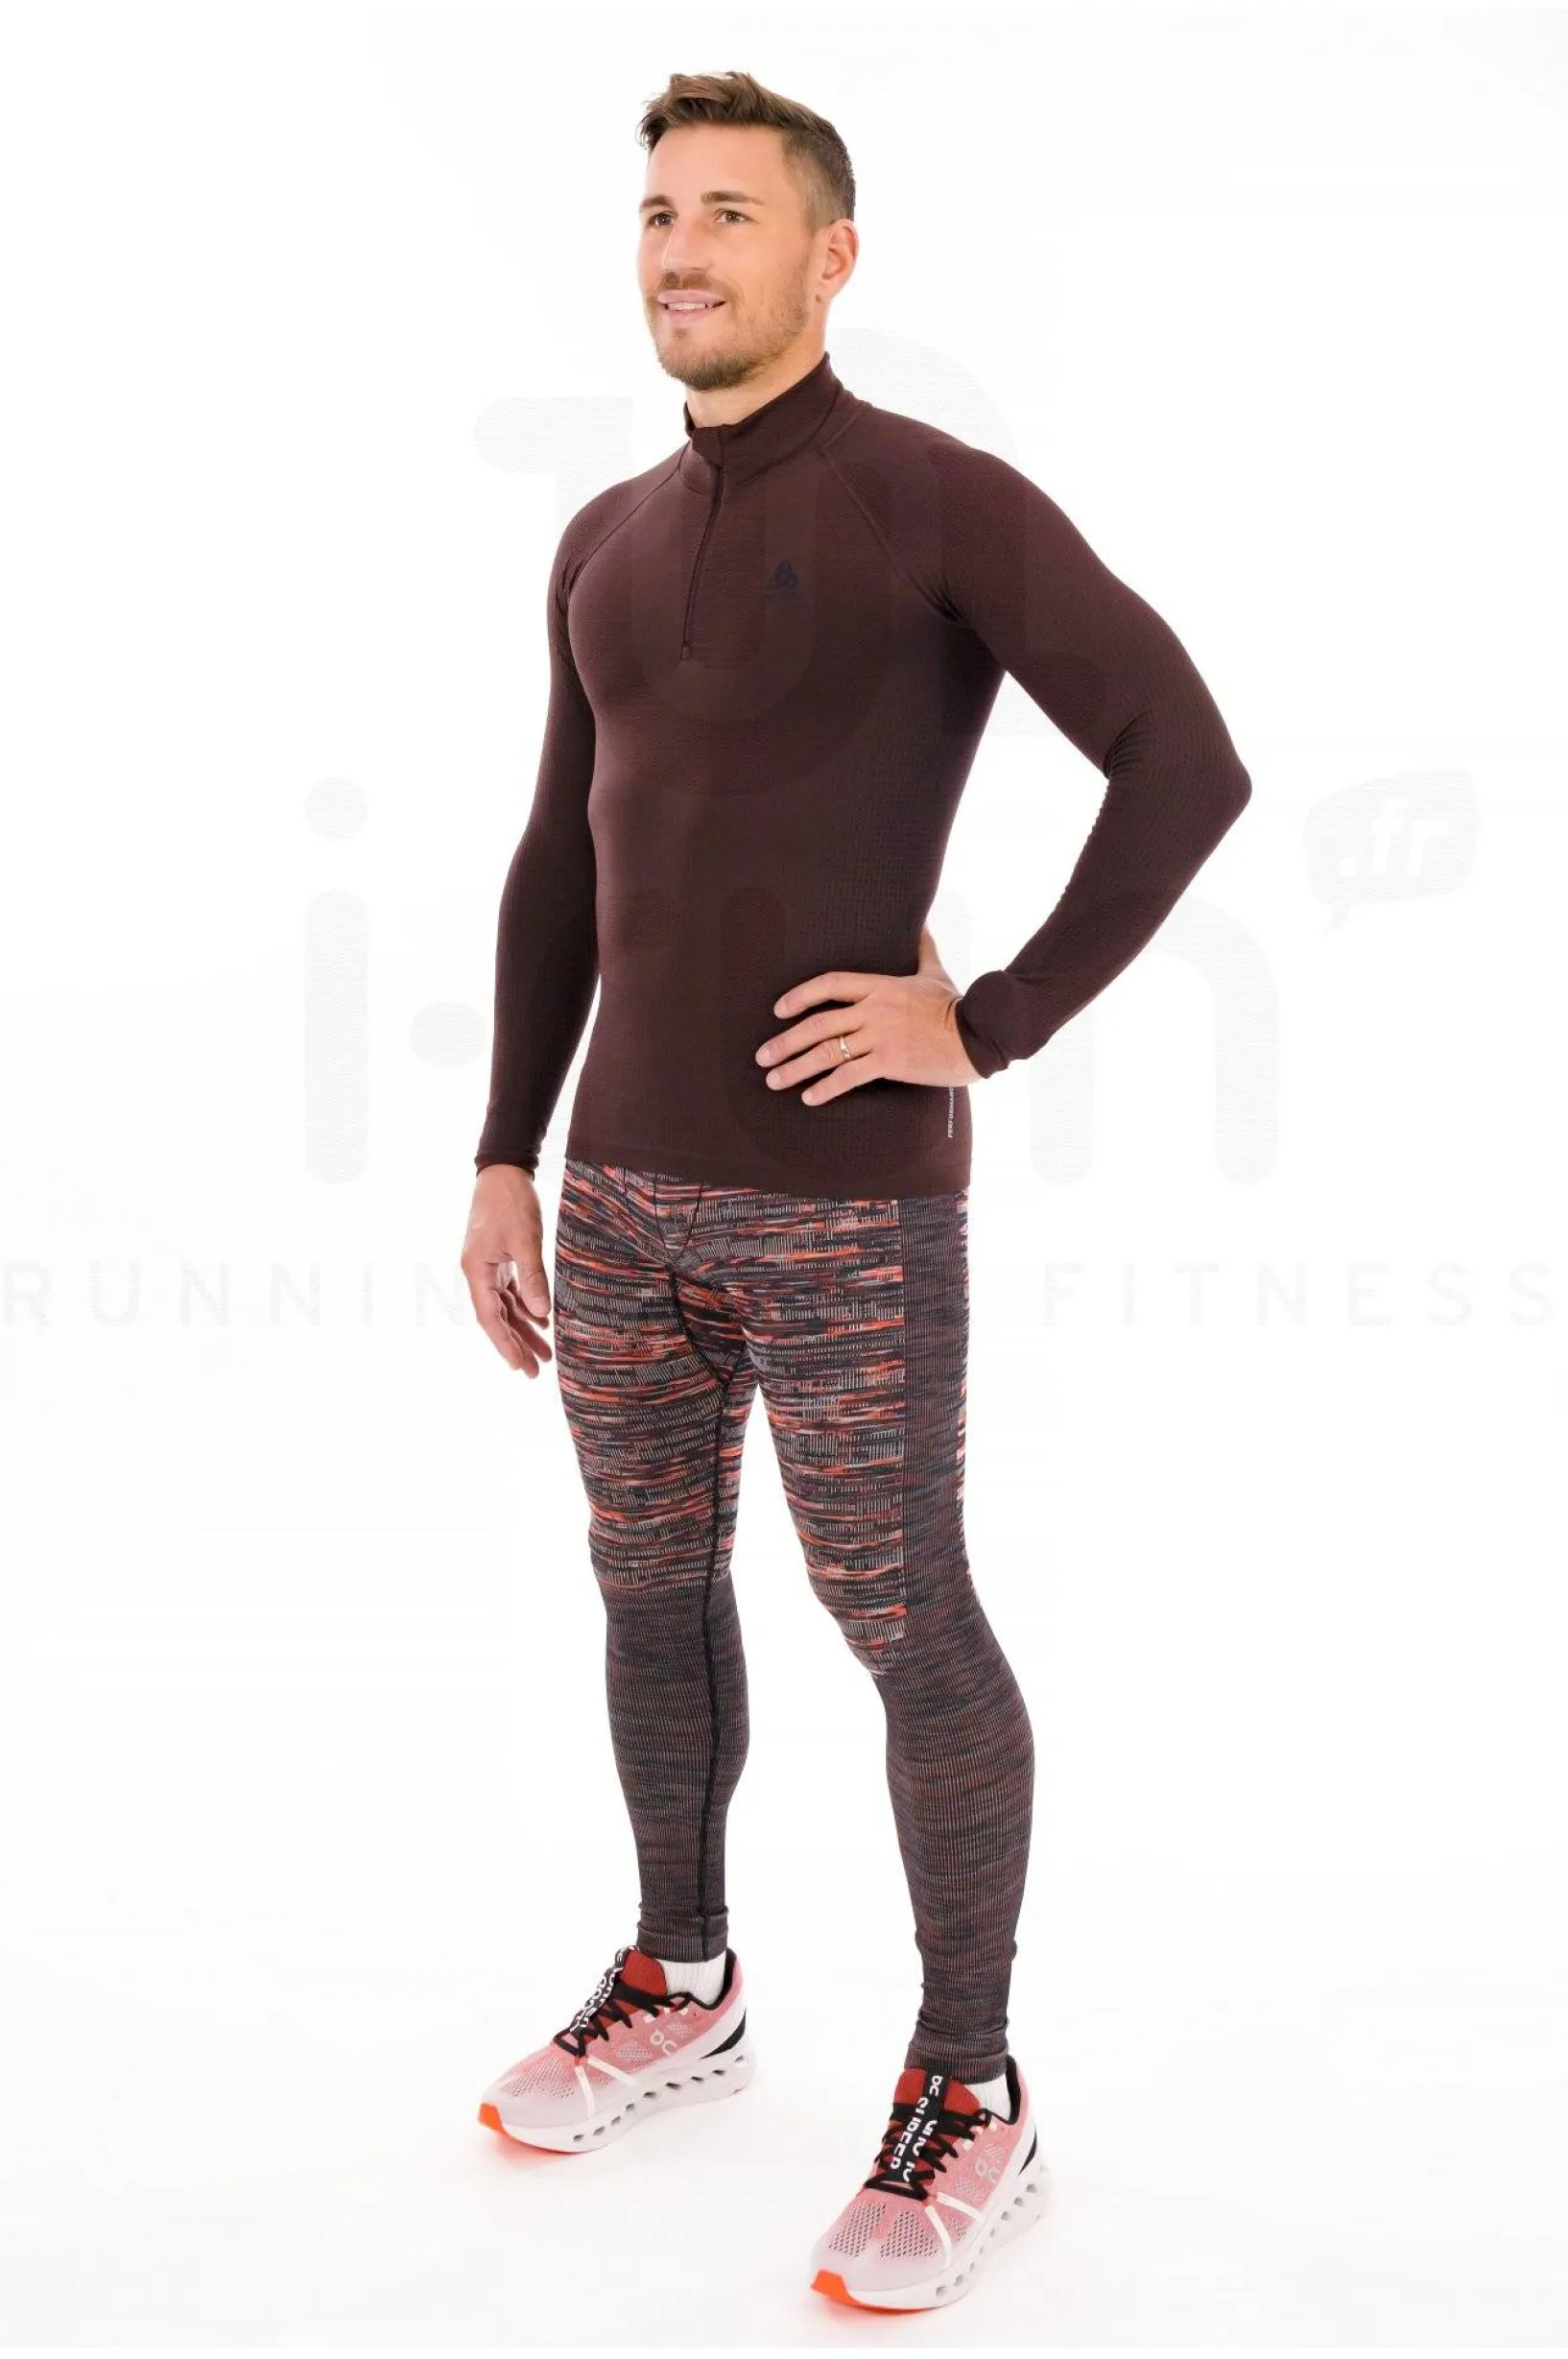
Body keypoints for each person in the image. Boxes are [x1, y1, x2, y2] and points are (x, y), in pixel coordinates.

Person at [460, 68, 1250, 2315]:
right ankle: (681, 1971)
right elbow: (559, 860)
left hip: (847, 1208)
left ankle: (971, 2082)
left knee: (903, 1617)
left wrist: (985, 1020)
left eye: (730, 213)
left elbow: (1185, 758)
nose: (680, 249)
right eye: (658, 213)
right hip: (618, 1189)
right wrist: (505, 1145)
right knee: (645, 1583)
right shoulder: (601, 537)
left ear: (831, 255)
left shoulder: (931, 498)